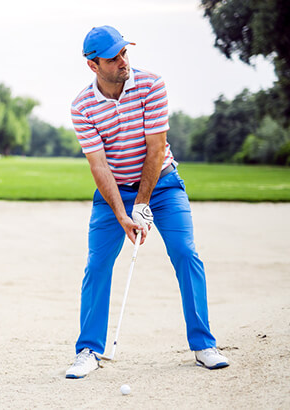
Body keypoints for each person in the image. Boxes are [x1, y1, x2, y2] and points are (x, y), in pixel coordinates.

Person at [65, 25, 229, 379]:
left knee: (186, 254)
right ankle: (89, 350)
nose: (123, 60)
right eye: (114, 57)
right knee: (97, 266)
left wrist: (143, 203)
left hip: (164, 185)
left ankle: (203, 344)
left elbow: (155, 150)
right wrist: (124, 214)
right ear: (94, 66)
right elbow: (99, 166)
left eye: (124, 52)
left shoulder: (151, 85)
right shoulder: (82, 107)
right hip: (115, 192)